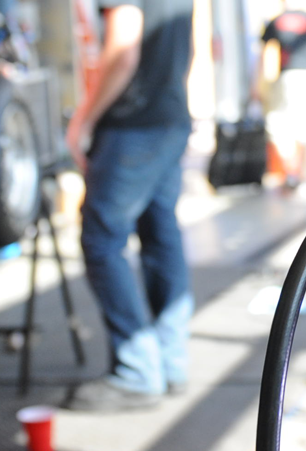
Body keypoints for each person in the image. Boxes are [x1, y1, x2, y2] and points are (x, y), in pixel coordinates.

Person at [63, 0, 195, 411]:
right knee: (161, 234)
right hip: (168, 115)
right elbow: (183, 47)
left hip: (133, 124)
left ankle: (138, 372)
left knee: (102, 240)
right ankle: (170, 363)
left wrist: (82, 119)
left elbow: (124, 50)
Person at [254, 1, 306, 187]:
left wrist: (257, 84)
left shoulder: (276, 21)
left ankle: (291, 171)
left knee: (279, 126)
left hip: (288, 76)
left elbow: (263, 56)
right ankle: (304, 174)